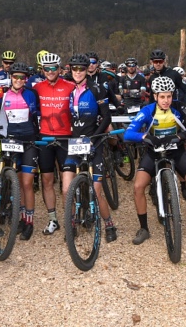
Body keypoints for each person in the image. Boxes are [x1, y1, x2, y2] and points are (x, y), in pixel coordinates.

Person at [123, 76, 186, 247]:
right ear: (155, 96)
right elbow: (128, 134)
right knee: (138, 187)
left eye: (169, 96)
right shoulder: (147, 110)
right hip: (154, 152)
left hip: (176, 150)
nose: (166, 100)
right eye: (162, 97)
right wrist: (145, 136)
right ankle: (143, 228)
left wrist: (179, 136)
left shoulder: (179, 107)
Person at [68, 55, 118, 242]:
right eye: (75, 69)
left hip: (94, 142)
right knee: (69, 189)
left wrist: (95, 136)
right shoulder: (68, 89)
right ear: (71, 70)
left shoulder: (96, 89)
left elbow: (106, 117)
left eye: (81, 69)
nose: (78, 72)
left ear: (86, 70)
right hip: (73, 143)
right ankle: (71, 222)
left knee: (96, 192)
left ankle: (109, 223)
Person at [0, 63, 41, 240]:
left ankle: (29, 221)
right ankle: (20, 218)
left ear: (26, 79)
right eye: (15, 77)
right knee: (17, 183)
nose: (18, 80)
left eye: (22, 77)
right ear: (11, 77)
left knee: (27, 183)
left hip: (29, 142)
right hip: (11, 142)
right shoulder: (3, 95)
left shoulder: (31, 94)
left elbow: (39, 115)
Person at [34, 53, 77, 235]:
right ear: (42, 70)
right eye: (46, 68)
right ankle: (53, 219)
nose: (50, 71)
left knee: (67, 186)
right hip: (44, 139)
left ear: (60, 69)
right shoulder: (36, 87)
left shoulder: (70, 87)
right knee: (47, 181)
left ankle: (71, 220)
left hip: (66, 138)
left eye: (53, 68)